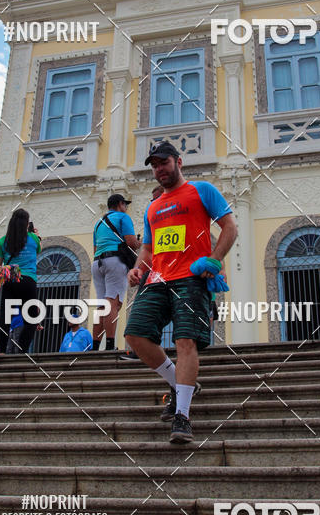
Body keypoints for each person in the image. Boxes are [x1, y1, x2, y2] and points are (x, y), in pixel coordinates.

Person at [125, 142, 237, 443]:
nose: (159, 168)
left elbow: (230, 226)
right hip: (158, 279)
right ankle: (178, 383)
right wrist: (137, 268)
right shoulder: (153, 206)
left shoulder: (202, 190)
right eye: (154, 164)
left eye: (164, 162)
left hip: (191, 277)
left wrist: (215, 259)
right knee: (135, 335)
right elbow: (148, 248)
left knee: (185, 341)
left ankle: (183, 416)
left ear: (178, 161)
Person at [118, 184, 164, 361]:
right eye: (152, 200)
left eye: (156, 199)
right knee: (144, 313)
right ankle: (142, 351)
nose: (153, 203)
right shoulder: (152, 218)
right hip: (152, 272)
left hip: (173, 273)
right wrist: (138, 269)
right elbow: (147, 248)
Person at [91, 194, 140, 351]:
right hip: (115, 261)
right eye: (125, 204)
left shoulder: (98, 223)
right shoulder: (123, 217)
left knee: (101, 305)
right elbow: (131, 242)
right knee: (113, 302)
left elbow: (95, 249)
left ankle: (95, 345)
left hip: (97, 263)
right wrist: (139, 243)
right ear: (120, 204)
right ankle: (110, 345)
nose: (126, 208)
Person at [0, 209, 42, 354]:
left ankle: (1, 351)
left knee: (4, 318)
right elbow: (38, 250)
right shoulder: (33, 238)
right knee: (32, 317)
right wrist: (38, 236)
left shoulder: (3, 241)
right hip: (27, 281)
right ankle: (22, 349)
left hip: (9, 280)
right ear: (27, 223)